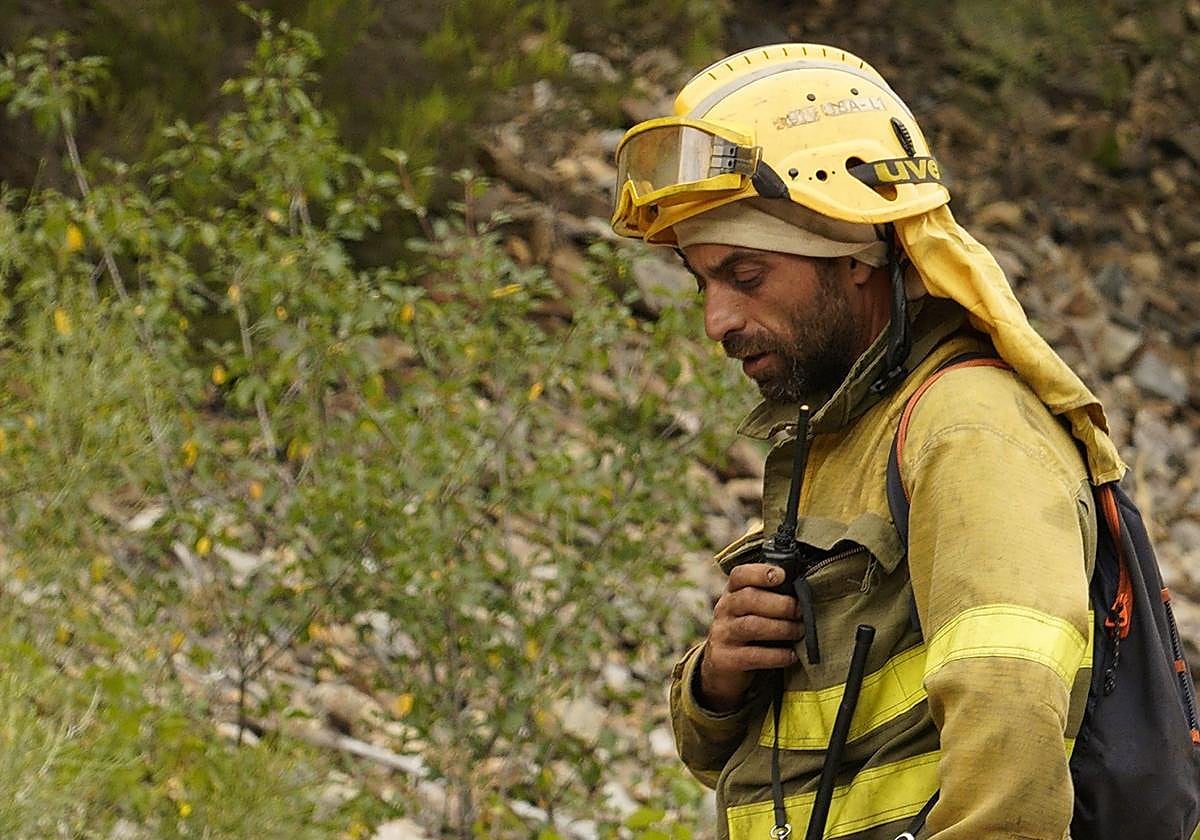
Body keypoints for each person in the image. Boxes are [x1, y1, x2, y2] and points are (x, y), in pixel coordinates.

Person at [610, 44, 1127, 839]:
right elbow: (773, 760)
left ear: (855, 253)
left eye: (745, 276)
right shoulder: (843, 436)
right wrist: (717, 680)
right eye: (700, 281)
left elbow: (1013, 714)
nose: (716, 320)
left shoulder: (967, 429)